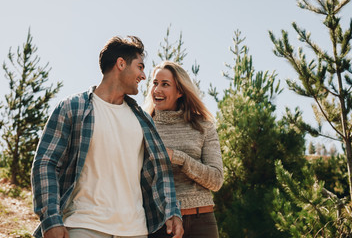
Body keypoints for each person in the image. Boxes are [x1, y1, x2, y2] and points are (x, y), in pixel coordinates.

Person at [31, 36, 183, 238]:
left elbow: (161, 172)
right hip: (83, 226)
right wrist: (50, 220)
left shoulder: (144, 120)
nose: (143, 75)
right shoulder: (72, 108)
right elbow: (45, 163)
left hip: (135, 231)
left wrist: (172, 211)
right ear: (121, 64)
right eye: (140, 67)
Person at [144, 61, 224, 238]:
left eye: (165, 84)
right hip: (160, 222)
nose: (157, 89)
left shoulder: (204, 127)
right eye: (154, 83)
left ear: (180, 91)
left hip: (201, 220)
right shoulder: (143, 128)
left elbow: (216, 180)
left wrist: (180, 158)